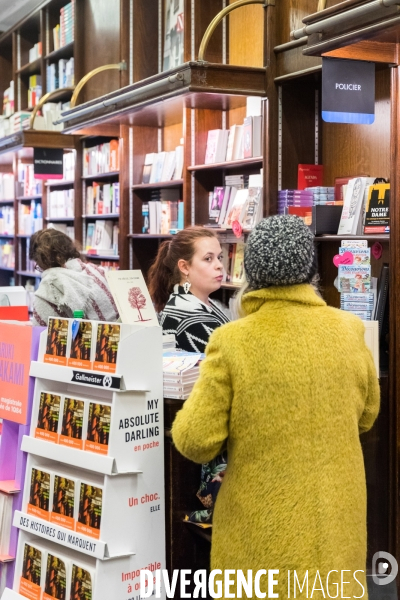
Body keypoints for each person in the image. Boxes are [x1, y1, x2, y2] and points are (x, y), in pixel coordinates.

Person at [172, 215, 380, 598]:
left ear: (251, 270)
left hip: (262, 529)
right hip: (337, 520)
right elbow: (366, 415)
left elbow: (195, 440)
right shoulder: (349, 329)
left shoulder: (232, 341)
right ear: (310, 269)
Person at [148, 226, 230, 353]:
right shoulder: (191, 323)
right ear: (185, 267)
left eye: (219, 257)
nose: (219, 266)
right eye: (208, 259)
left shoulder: (196, 303)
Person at [29, 228, 119, 326]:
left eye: (38, 265)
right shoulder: (97, 271)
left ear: (42, 261)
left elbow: (39, 332)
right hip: (119, 337)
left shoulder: (50, 284)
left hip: (83, 340)